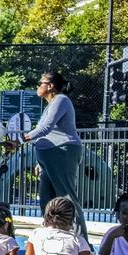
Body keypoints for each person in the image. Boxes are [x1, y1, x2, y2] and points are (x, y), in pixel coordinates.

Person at [22, 70, 89, 240]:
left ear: (50, 86)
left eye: (40, 83)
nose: (38, 87)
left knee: (67, 199)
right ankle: (52, 240)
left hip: (62, 153)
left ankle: (83, 245)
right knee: (47, 202)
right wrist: (41, 163)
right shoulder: (50, 105)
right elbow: (47, 134)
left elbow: (46, 128)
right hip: (49, 158)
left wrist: (22, 139)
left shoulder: (61, 100)